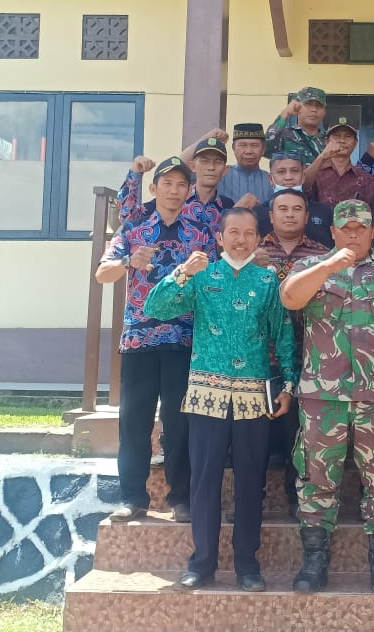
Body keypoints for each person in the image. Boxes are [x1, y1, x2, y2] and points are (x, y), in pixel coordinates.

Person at [142, 208, 296, 591]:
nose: (241, 240)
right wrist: (181, 272)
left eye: (248, 233)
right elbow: (155, 307)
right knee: (204, 481)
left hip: (252, 396)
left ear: (258, 239)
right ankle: (202, 563)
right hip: (206, 395)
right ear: (220, 238)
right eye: (234, 233)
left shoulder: (268, 281)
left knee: (251, 481)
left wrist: (289, 384)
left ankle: (247, 565)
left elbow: (284, 335)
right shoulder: (202, 275)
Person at [280, 199, 374, 594]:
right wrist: (329, 266)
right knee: (316, 479)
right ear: (332, 231)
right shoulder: (310, 267)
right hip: (322, 398)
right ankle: (314, 561)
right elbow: (290, 299)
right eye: (345, 228)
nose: (353, 234)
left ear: (372, 231)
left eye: (361, 228)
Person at [94, 157, 215, 524]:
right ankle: (132, 497)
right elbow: (102, 274)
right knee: (134, 421)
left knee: (180, 424)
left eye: (181, 185)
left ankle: (181, 499)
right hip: (140, 341)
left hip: (184, 339)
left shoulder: (201, 233)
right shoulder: (133, 229)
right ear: (154, 188)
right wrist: (129, 262)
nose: (174, 190)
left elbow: (215, 278)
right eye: (167, 183)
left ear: (190, 191)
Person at [254, 187, 330, 511]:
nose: (289, 214)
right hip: (259, 356)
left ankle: (298, 497)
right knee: (255, 436)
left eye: (296, 209)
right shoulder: (253, 250)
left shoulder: (322, 255)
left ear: (306, 215)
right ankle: (251, 498)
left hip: (306, 355)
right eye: (282, 209)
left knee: (299, 434)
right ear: (271, 216)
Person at [118, 138, 234, 234]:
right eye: (204, 161)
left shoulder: (228, 207)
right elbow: (128, 217)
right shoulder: (175, 198)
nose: (211, 167)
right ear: (192, 166)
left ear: (225, 170)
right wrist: (135, 173)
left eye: (218, 162)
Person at [305, 118, 374, 219]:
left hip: (352, 229)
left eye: (348, 136)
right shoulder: (315, 173)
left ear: (355, 143)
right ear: (327, 141)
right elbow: (302, 187)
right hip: (319, 228)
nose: (342, 141)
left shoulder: (367, 180)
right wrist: (322, 157)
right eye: (337, 136)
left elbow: (373, 217)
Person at [254, 153, 334, 247]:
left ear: (303, 176)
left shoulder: (324, 212)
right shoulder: (257, 215)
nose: (289, 177)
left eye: (294, 171)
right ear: (270, 178)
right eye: (281, 172)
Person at [266, 87, 327, 165]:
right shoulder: (284, 135)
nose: (314, 109)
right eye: (308, 104)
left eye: (319, 106)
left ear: (324, 111)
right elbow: (266, 150)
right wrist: (285, 114)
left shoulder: (329, 140)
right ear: (297, 107)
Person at [219, 122, 273, 208]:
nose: (248, 151)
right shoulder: (220, 176)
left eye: (254, 145)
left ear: (263, 149)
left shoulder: (272, 180)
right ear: (233, 148)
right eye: (243, 145)